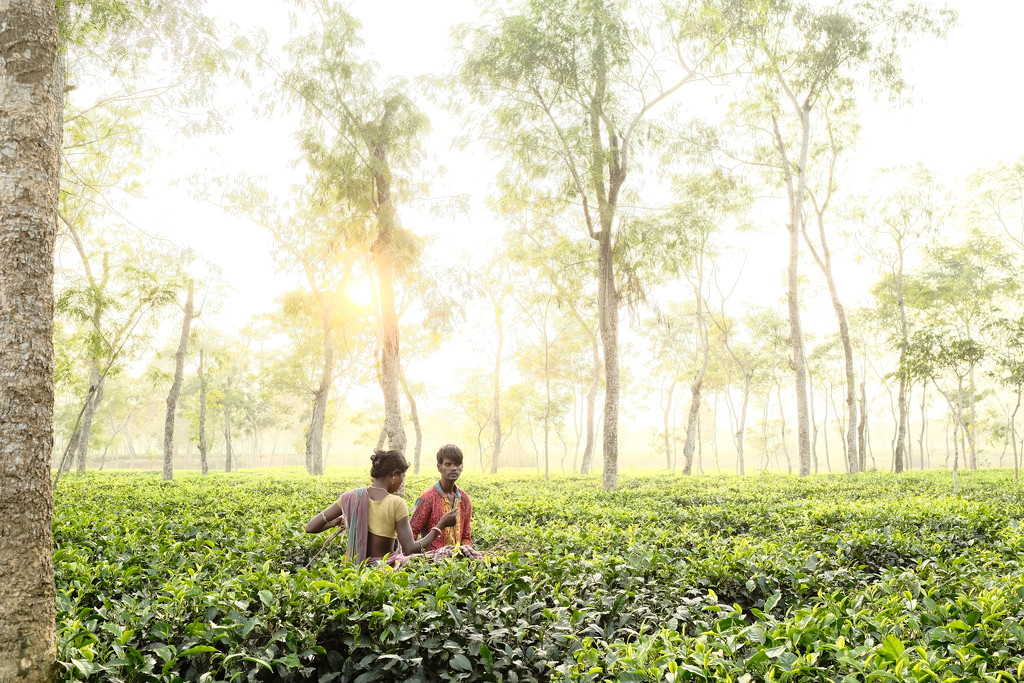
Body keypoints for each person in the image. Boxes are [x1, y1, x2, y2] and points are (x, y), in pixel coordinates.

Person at [305, 449, 457, 565]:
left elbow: (310, 527)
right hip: (384, 568)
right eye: (402, 478)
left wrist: (335, 521)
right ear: (394, 475)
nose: (401, 483)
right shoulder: (396, 503)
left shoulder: (350, 497)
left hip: (356, 569)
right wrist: (440, 526)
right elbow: (410, 549)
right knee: (453, 553)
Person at [409, 444, 482, 558]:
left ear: (461, 467)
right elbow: (411, 535)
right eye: (448, 464)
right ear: (439, 467)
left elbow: (466, 537)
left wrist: (465, 555)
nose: (453, 468)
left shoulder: (464, 499)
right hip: (433, 562)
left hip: (459, 561)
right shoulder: (427, 498)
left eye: (457, 464)